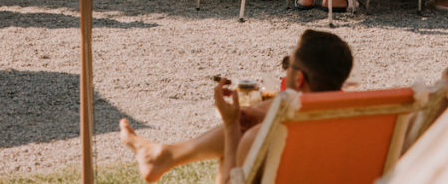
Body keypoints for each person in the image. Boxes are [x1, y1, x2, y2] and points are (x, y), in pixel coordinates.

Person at [119, 29, 354, 184]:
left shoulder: (261, 139)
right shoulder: (357, 124)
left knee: (239, 136)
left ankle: (162, 156)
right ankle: (162, 156)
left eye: (288, 66)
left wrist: (232, 125)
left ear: (299, 79)